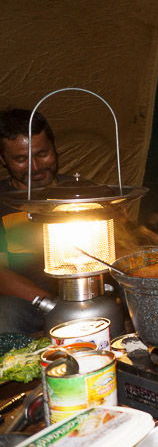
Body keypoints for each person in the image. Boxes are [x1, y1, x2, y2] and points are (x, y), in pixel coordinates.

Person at [0, 108, 69, 334]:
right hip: (30, 301)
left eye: (42, 154)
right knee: (6, 312)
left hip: (87, 294)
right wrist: (55, 306)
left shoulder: (83, 194)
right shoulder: (2, 202)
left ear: (55, 148)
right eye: (21, 159)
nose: (35, 167)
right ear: (3, 159)